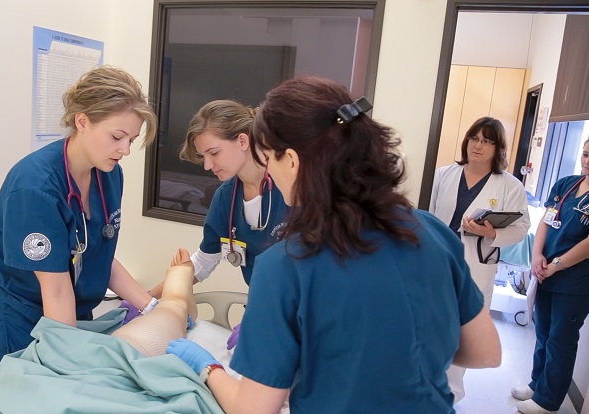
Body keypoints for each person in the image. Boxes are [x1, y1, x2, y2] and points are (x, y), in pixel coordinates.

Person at [166, 76, 501, 413]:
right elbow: (486, 353)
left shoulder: (285, 266)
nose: (269, 170)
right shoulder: (431, 232)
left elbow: (253, 409)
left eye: (269, 159)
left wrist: (207, 367)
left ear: (292, 162)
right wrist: (402, 353)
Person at [0, 65, 158, 406]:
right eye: (117, 137)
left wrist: (151, 306)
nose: (125, 149)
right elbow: (54, 288)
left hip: (67, 308)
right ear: (82, 121)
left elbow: (98, 255)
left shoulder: (108, 174)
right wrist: (67, 364)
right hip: (16, 316)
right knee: (26, 403)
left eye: (131, 139)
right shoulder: (35, 188)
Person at [121, 100, 289, 349]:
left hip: (298, 316)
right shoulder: (226, 198)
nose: (208, 165)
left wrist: (263, 320)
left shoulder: (290, 188)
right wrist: (146, 298)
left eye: (214, 153)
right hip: (264, 312)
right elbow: (203, 262)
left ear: (243, 141)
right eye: (203, 157)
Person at [429, 116, 530, 402]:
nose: (478, 146)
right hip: (438, 261)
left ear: (498, 148)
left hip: (476, 265)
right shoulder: (444, 174)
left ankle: (451, 396)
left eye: (487, 141)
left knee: (463, 332)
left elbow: (521, 228)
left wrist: (491, 233)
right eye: (475, 138)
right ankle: (426, 388)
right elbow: (430, 214)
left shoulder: (510, 186)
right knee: (432, 325)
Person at [511, 139, 589, 414]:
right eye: (586, 154)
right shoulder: (566, 184)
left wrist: (556, 264)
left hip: (575, 280)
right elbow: (546, 220)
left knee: (561, 339)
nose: (587, 161)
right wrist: (536, 256)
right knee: (543, 332)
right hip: (546, 272)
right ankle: (537, 384)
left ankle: (548, 400)